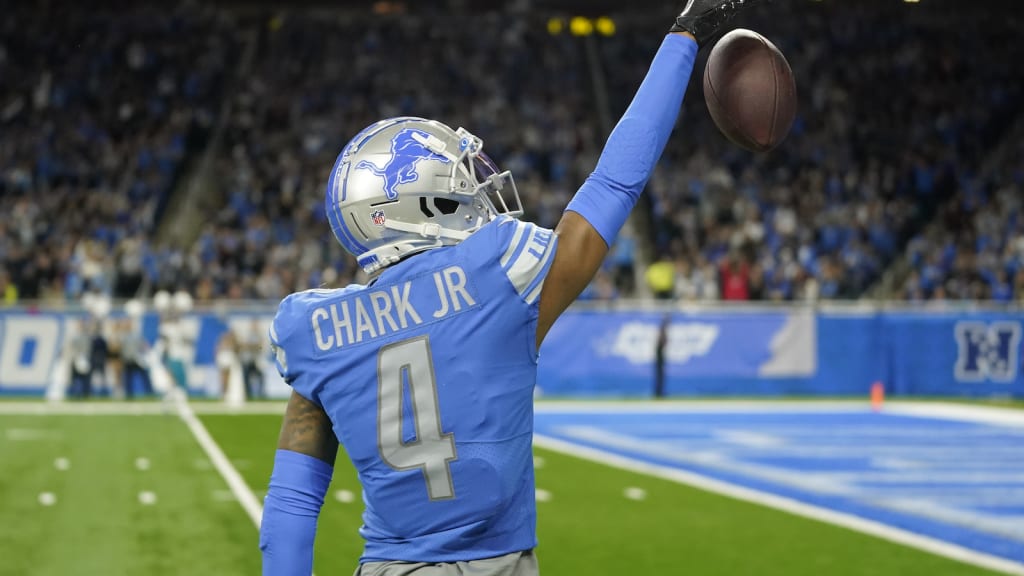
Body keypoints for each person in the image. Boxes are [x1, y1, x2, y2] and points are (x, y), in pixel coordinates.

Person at [260, 2, 763, 574]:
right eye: (457, 179)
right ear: (418, 202)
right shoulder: (499, 277)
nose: (476, 188)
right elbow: (614, 184)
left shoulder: (316, 331)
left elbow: (292, 507)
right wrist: (685, 34)